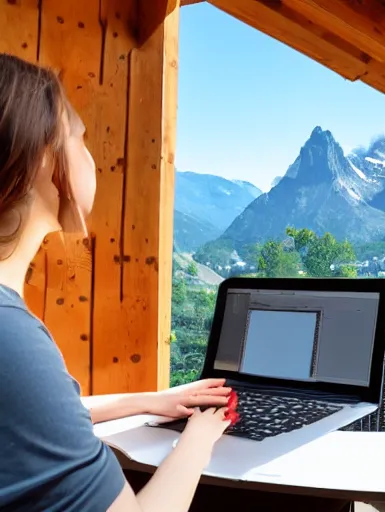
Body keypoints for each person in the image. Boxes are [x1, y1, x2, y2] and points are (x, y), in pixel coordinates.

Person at [0, 53, 233, 511]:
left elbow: (35, 417)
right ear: (47, 157)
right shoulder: (11, 339)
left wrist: (150, 401)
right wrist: (203, 434)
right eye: (81, 139)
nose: (91, 158)